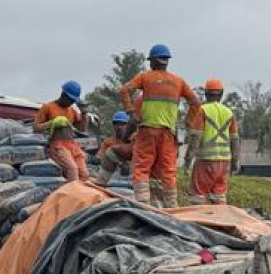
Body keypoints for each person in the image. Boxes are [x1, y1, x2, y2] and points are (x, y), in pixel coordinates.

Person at [120, 44, 200, 208]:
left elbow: (124, 90)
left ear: (153, 61)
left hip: (147, 130)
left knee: (142, 167)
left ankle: (142, 204)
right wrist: (188, 122)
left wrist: (131, 112)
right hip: (168, 133)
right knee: (168, 170)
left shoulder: (145, 77)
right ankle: (172, 206)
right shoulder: (178, 81)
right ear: (166, 61)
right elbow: (195, 102)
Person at [185, 78, 238, 204]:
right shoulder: (229, 113)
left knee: (198, 196)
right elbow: (235, 140)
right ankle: (219, 221)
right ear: (221, 94)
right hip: (224, 162)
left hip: (205, 160)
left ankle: (198, 221)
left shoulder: (203, 110)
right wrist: (235, 162)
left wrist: (188, 160)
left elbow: (195, 137)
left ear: (206, 94)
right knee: (219, 197)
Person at [34, 80, 89, 184]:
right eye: (71, 100)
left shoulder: (71, 110)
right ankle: (71, 196)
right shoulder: (48, 107)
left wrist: (84, 113)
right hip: (57, 146)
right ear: (63, 94)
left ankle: (84, 196)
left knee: (84, 173)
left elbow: (82, 128)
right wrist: (52, 122)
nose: (72, 103)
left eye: (74, 101)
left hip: (72, 146)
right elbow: (36, 128)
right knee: (72, 169)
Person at [95, 110, 137, 183]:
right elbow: (99, 157)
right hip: (113, 177)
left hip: (132, 177)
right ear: (113, 125)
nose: (119, 127)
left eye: (122, 124)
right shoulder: (108, 142)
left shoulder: (135, 140)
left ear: (128, 125)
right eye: (117, 124)